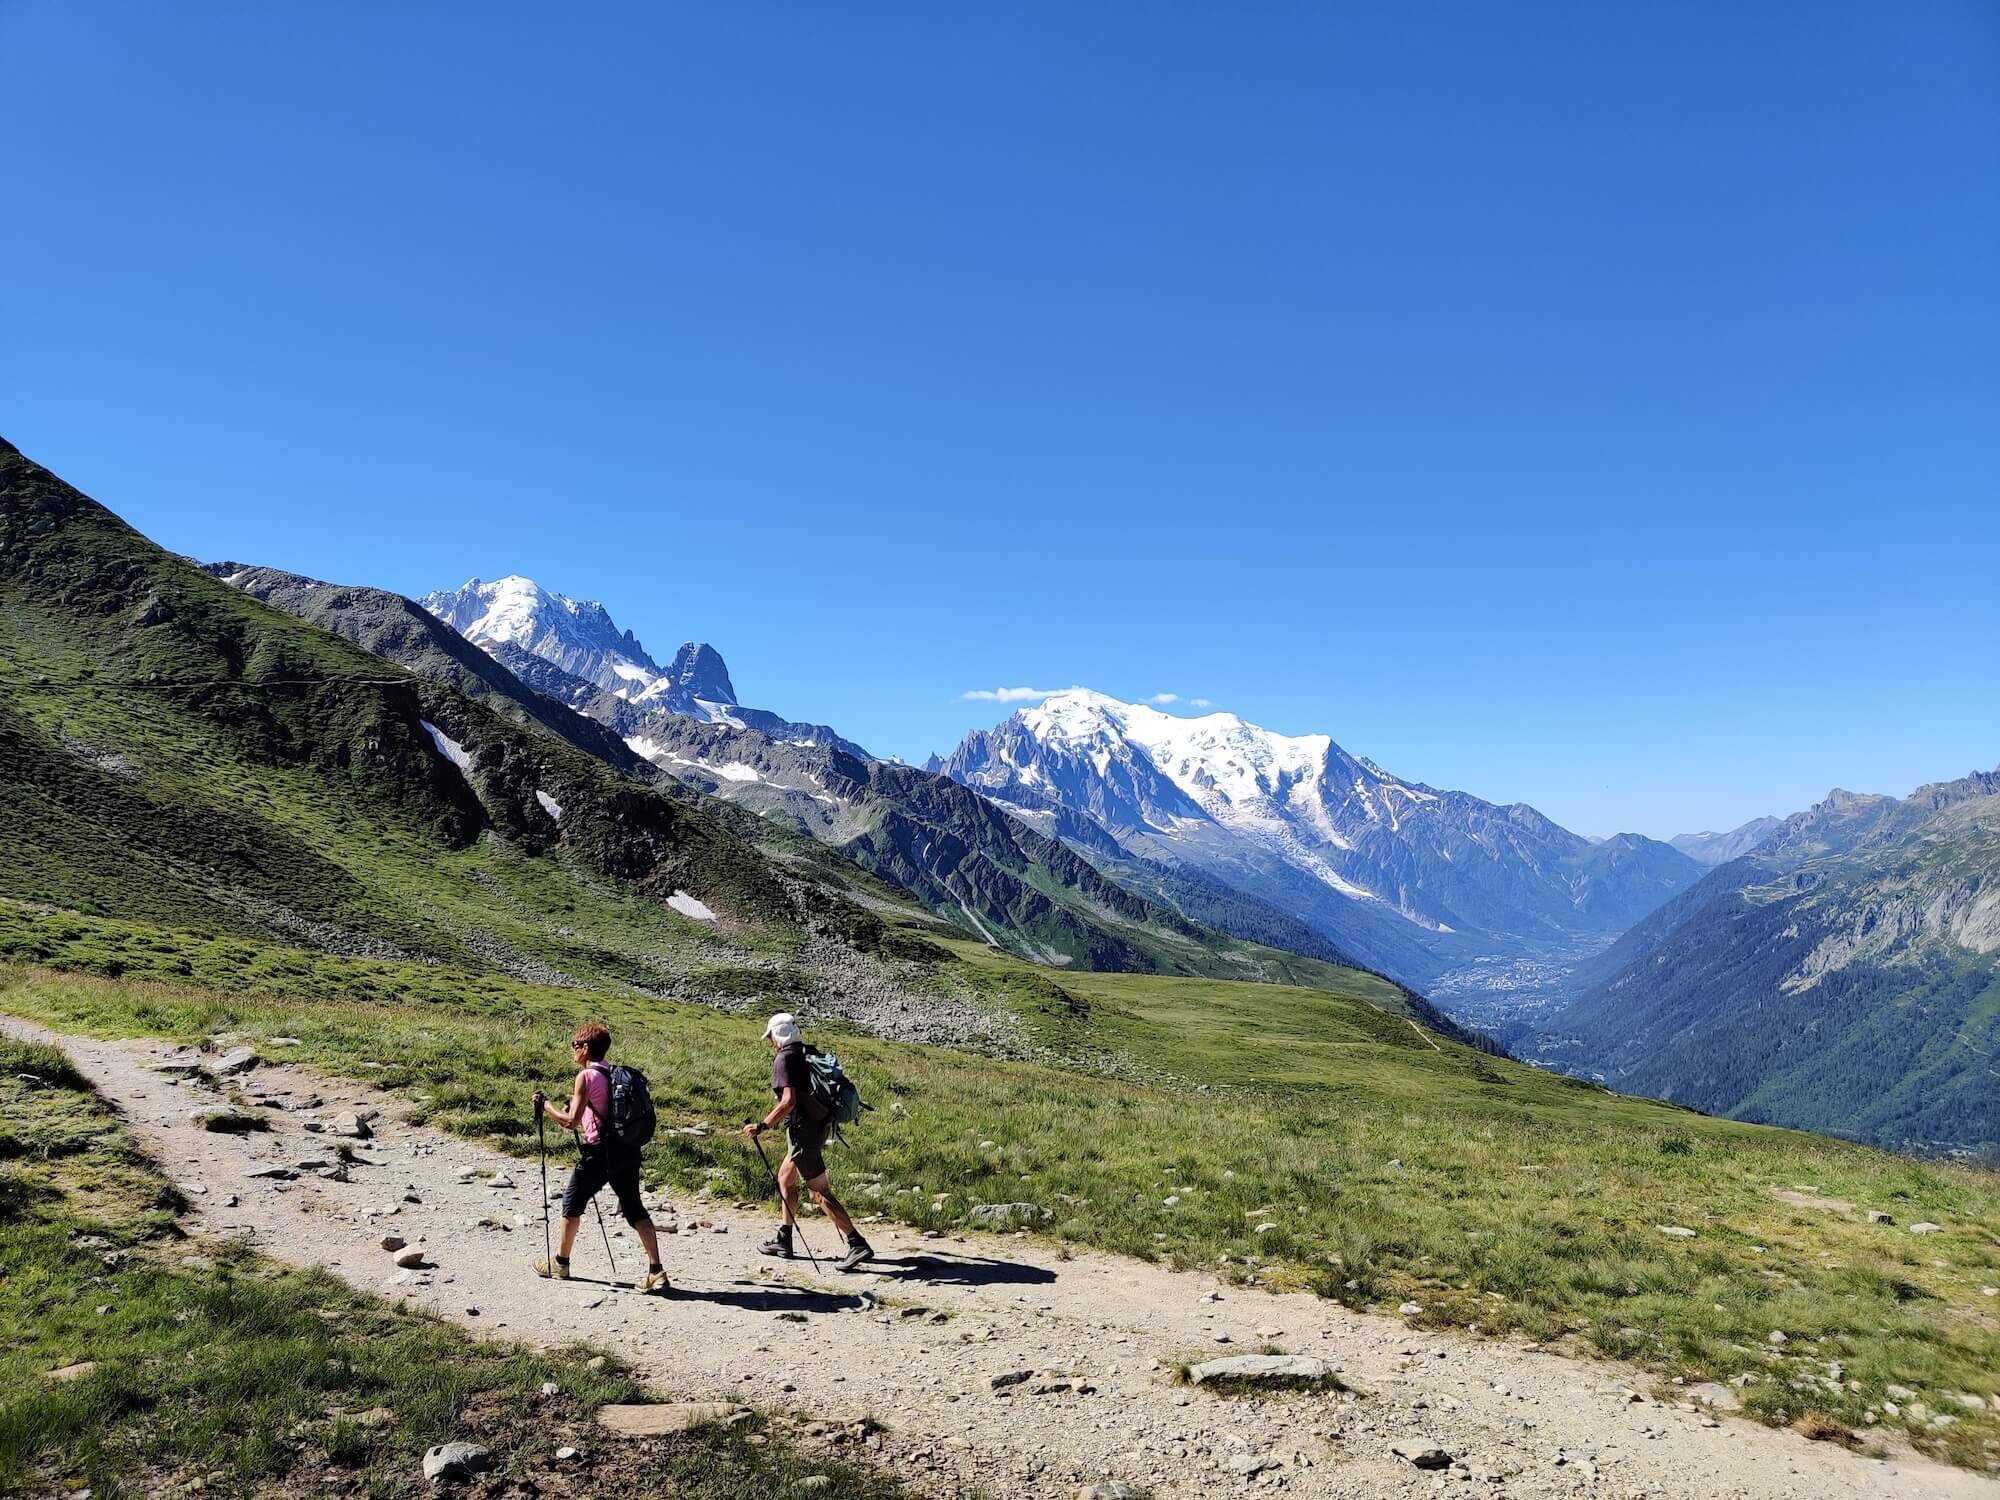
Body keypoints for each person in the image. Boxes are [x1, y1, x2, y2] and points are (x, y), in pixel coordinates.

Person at [533, 1022, 668, 1292]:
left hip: (598, 1153)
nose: (572, 1050)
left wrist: (545, 1105)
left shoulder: (585, 1077)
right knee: (634, 1208)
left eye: (575, 1045)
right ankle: (656, 1271)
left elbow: (570, 1122)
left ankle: (561, 1263)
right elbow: (595, 1114)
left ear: (585, 1048)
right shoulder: (613, 1073)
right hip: (626, 1150)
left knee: (571, 1203)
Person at [743, 1011, 872, 1272]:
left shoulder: (784, 1059)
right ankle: (784, 1240)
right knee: (785, 1179)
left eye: (771, 1037)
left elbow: (788, 1101)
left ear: (776, 1036)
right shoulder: (804, 1052)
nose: (771, 1042)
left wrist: (763, 1125)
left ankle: (856, 1243)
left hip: (803, 1131)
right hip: (817, 1125)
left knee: (818, 1192)